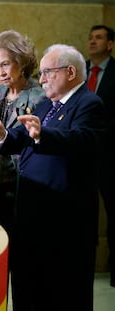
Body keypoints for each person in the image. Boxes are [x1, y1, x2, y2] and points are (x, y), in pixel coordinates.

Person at [0, 44, 105, 311]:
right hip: (31, 217)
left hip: (65, 224)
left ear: (70, 72)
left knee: (62, 295)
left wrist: (42, 135)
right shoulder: (46, 102)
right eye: (42, 72)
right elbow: (24, 136)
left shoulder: (89, 104)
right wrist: (1, 135)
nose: (43, 78)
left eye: (48, 72)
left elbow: (83, 140)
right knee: (28, 290)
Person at [0, 30, 45, 239]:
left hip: (18, 182)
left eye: (6, 64)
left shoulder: (39, 96)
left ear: (22, 61)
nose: (0, 72)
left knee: (17, 241)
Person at [86, 24, 115, 287]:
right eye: (91, 37)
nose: (93, 42)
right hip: (79, 153)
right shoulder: (77, 70)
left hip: (110, 155)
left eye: (99, 38)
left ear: (110, 45)